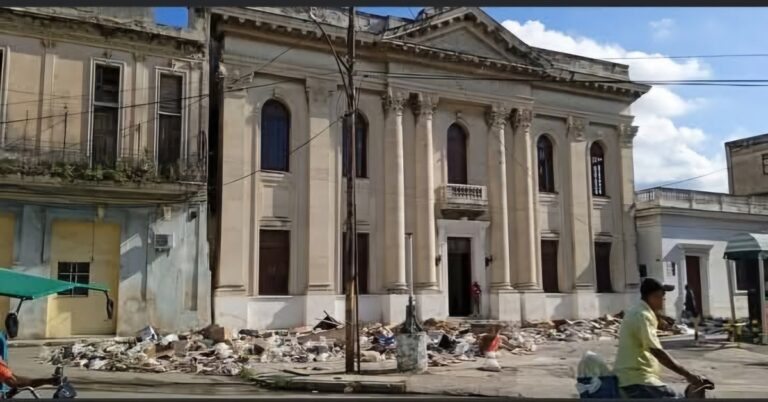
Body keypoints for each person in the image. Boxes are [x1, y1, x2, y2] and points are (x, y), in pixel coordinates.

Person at [614, 278, 705, 399]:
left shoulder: (638, 311)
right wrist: (688, 375)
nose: (664, 299)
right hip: (637, 380)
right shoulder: (643, 316)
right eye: (662, 296)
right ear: (653, 297)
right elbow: (657, 351)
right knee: (675, 397)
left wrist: (660, 317)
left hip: (635, 378)